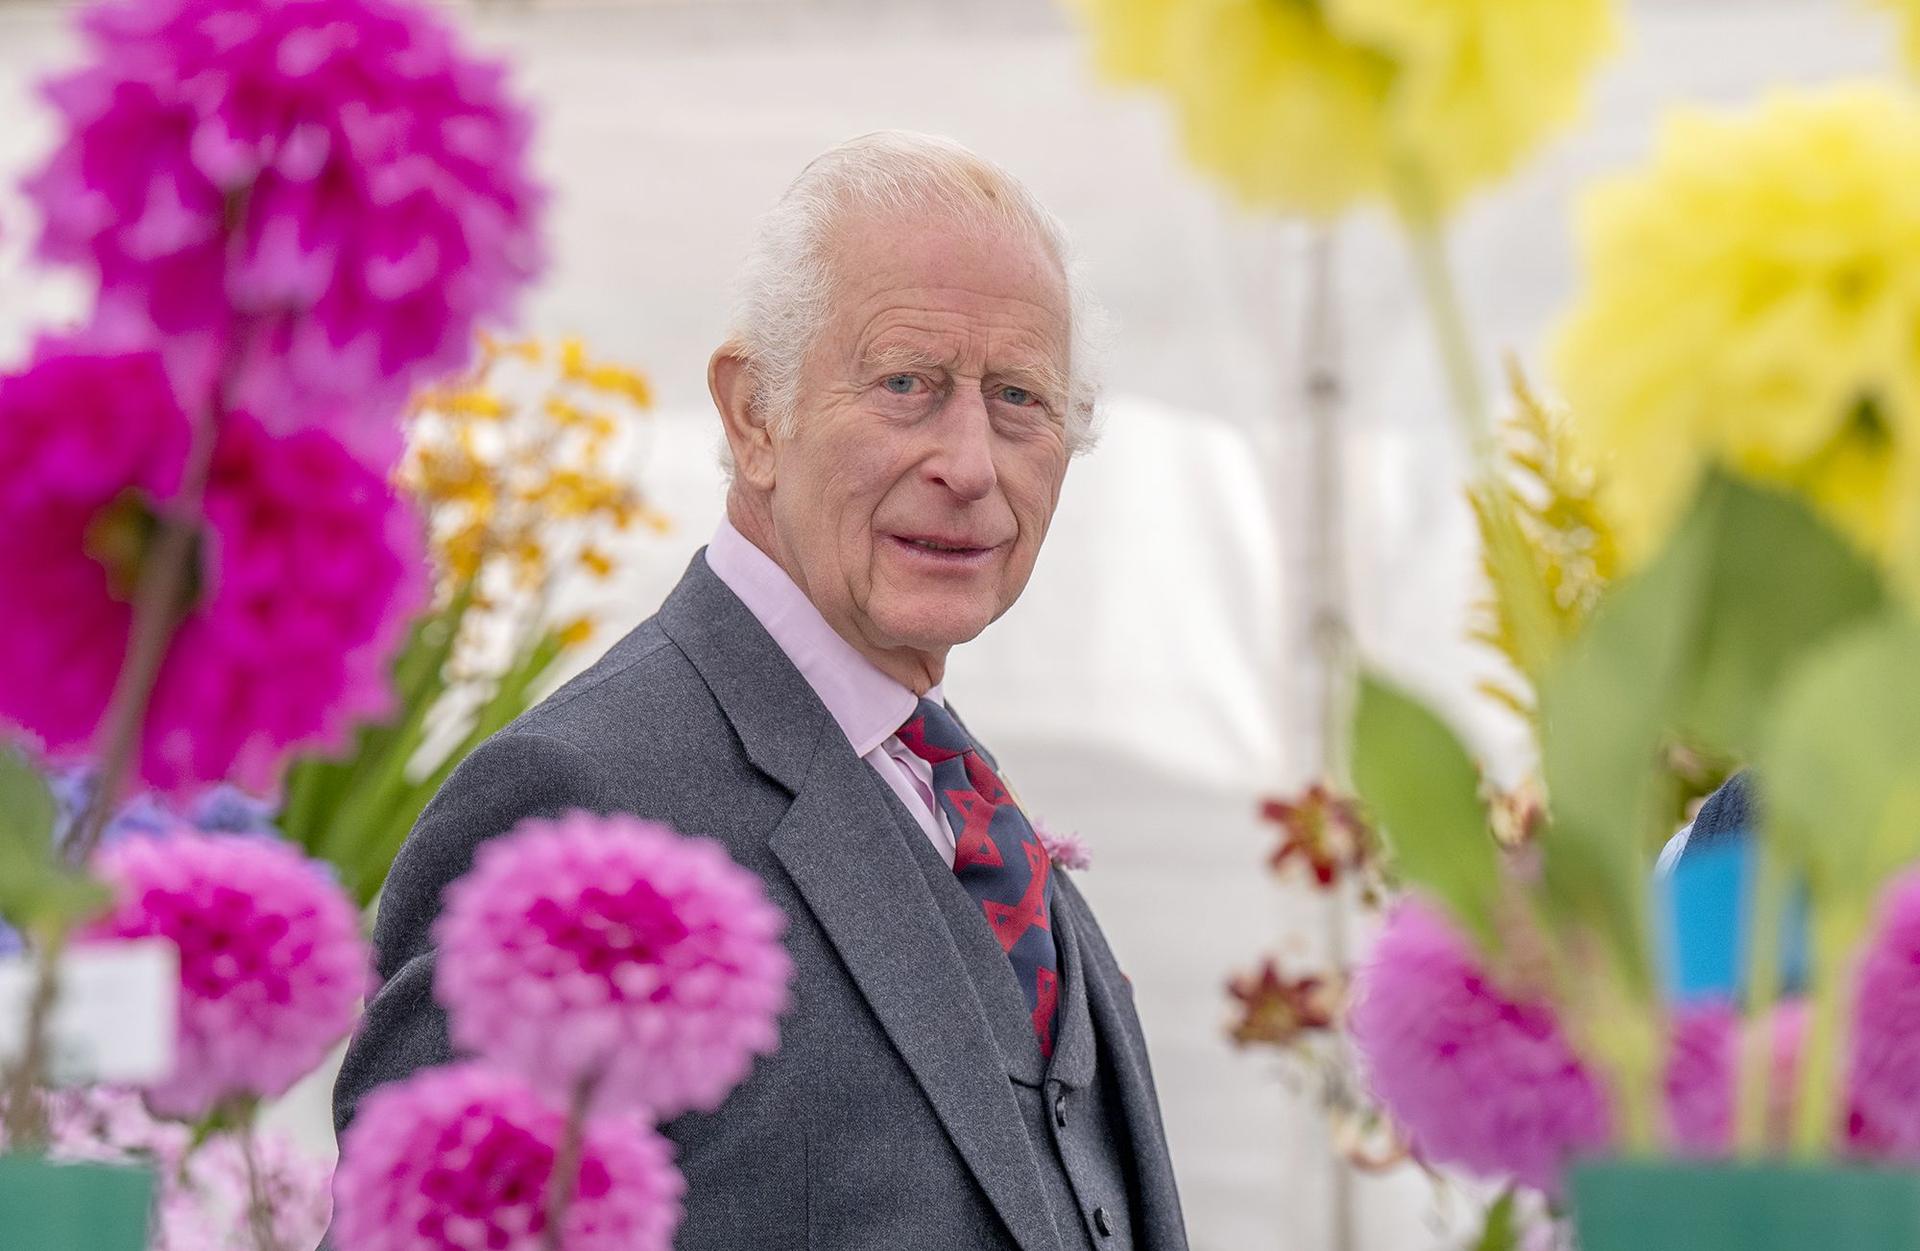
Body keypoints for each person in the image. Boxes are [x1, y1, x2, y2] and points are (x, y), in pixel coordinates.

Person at [333, 131, 1190, 1251]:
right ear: (753, 417)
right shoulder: (579, 803)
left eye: (1020, 399)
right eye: (907, 386)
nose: (972, 464)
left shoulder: (949, 787)